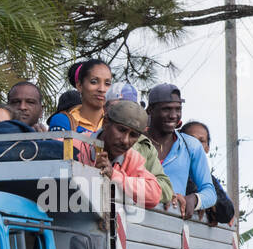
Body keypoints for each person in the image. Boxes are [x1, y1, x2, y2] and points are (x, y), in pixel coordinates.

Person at [144, 83, 216, 220]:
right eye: (166, 109)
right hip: (136, 221)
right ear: (150, 110)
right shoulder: (135, 141)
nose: (173, 115)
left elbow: (210, 192)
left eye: (178, 109)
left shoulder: (191, 146)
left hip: (173, 227)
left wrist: (194, 199)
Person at [76, 100, 162, 209]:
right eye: (121, 130)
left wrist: (114, 175)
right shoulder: (75, 144)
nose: (125, 140)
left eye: (133, 135)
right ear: (105, 123)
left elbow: (154, 194)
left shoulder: (133, 158)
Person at [181, 120, 236, 224]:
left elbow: (227, 212)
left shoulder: (209, 179)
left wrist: (203, 201)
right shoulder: (171, 168)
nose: (196, 144)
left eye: (201, 141)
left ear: (207, 148)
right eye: (191, 139)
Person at [48, 58, 112, 135]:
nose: (102, 89)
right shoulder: (63, 120)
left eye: (107, 83)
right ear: (79, 86)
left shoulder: (114, 123)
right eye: (94, 82)